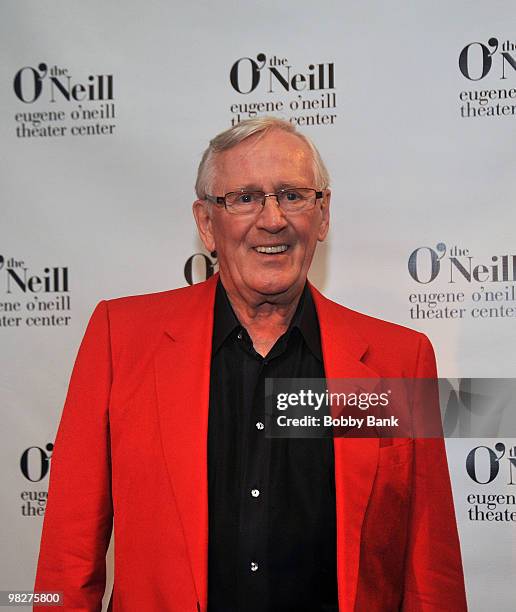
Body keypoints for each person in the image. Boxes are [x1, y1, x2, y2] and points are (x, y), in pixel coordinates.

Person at [34, 117, 467, 611]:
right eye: (244, 197)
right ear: (205, 223)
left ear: (322, 215)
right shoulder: (120, 339)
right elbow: (67, 563)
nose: (273, 219)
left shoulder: (399, 359)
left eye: (293, 195)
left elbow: (430, 569)